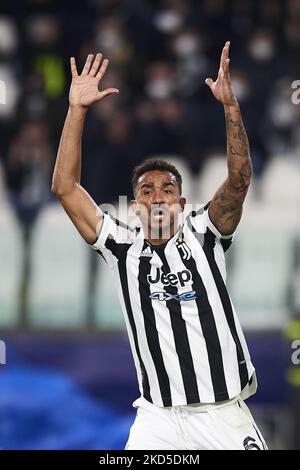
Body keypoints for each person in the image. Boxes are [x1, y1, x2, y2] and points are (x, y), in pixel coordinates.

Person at [51, 42, 267, 450]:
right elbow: (64, 187)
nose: (157, 196)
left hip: (221, 413)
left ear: (182, 204)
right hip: (158, 418)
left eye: (168, 189)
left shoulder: (205, 233)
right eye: (146, 191)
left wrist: (229, 107)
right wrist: (76, 110)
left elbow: (238, 181)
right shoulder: (120, 246)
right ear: (133, 207)